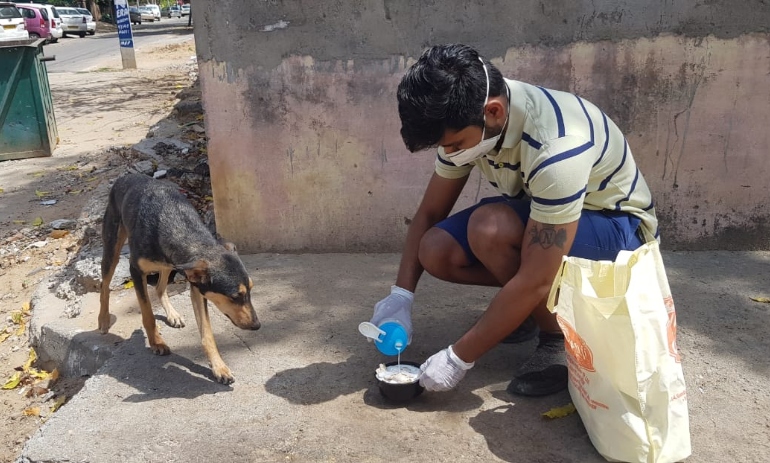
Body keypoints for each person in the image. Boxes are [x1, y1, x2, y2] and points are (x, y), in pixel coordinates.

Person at [369, 43, 658, 395]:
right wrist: (401, 295)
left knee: (490, 229)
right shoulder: (471, 119)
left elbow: (538, 276)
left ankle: (556, 341)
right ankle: (521, 313)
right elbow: (430, 214)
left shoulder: (558, 147)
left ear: (493, 111)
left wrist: (458, 358)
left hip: (618, 233)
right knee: (435, 249)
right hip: (549, 217)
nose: (449, 155)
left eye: (456, 145)